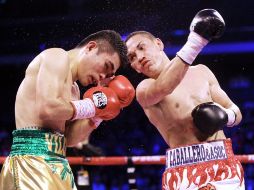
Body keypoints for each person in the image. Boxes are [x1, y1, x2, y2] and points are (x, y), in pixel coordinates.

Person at [0, 30, 135, 190]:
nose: (102, 77)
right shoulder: (56, 56)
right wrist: (90, 107)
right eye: (106, 66)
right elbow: (48, 108)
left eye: (108, 74)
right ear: (91, 47)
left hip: (59, 164)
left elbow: (69, 139)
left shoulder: (74, 90)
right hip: (31, 162)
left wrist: (98, 116)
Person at [125, 9, 244, 189]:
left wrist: (226, 116)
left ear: (158, 43)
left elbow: (235, 111)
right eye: (132, 57)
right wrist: (196, 41)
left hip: (224, 164)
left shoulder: (202, 71)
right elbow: (166, 86)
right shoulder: (144, 90)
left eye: (142, 47)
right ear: (134, 68)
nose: (139, 57)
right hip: (184, 171)